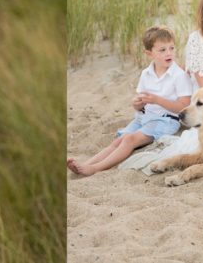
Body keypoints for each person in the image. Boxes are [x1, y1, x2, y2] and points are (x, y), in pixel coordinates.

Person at [68, 26, 192, 177]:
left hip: (165, 120)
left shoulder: (178, 75)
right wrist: (138, 104)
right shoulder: (146, 74)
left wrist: (157, 100)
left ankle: (95, 168)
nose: (169, 53)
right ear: (149, 53)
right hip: (144, 117)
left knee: (129, 139)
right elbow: (140, 105)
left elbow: (184, 106)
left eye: (171, 48)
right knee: (118, 141)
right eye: (162, 50)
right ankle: (87, 164)